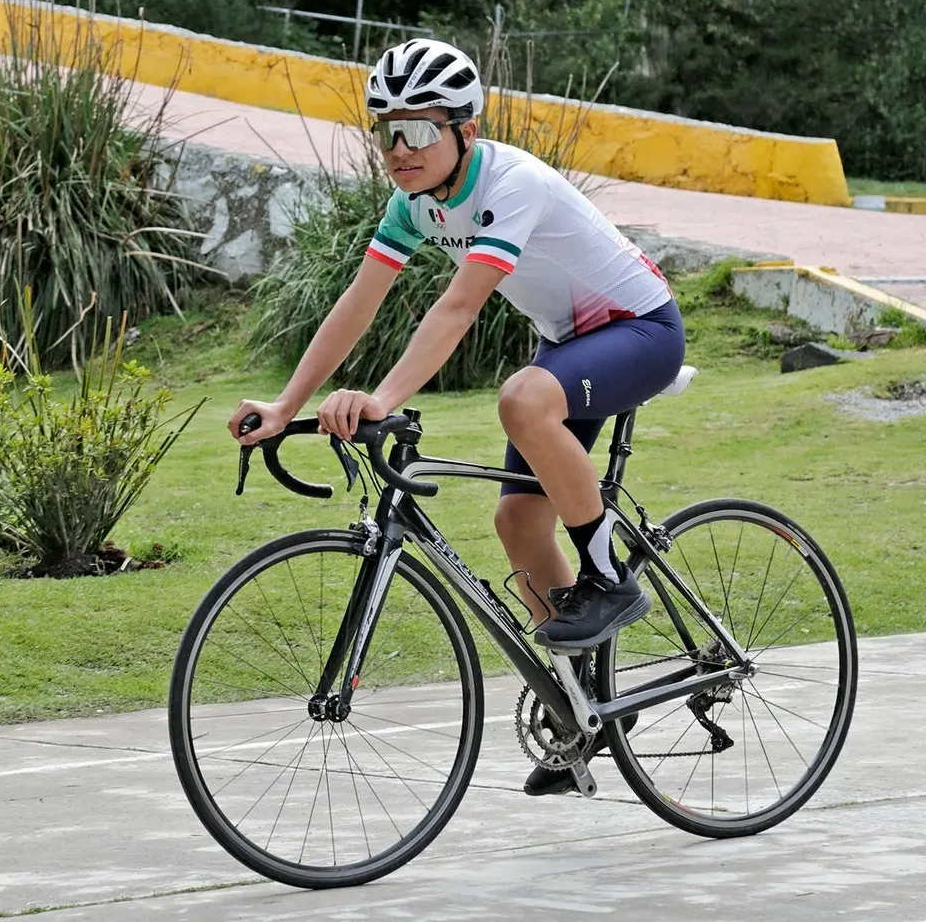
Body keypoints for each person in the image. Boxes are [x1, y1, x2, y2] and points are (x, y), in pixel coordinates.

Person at [227, 39, 685, 795]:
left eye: (418, 131)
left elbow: (459, 306)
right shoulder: (413, 203)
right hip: (574, 340)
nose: (398, 149)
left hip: (640, 329)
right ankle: (586, 712)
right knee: (517, 524)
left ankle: (608, 578)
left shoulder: (510, 182)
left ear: (464, 131)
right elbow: (360, 301)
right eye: (386, 131)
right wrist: (287, 404)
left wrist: (381, 398)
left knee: (521, 397)